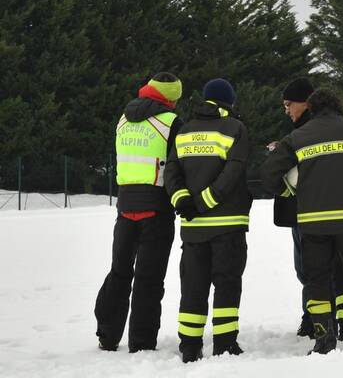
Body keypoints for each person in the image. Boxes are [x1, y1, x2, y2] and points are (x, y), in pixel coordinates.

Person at [261, 87, 343, 354]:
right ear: (338, 105)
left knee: (317, 281)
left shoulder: (297, 136)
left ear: (311, 108)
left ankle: (324, 340)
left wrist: (292, 189)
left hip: (313, 222)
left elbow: (269, 176)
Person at [163, 78, 252, 362]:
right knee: (226, 283)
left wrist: (183, 201)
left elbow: (172, 173)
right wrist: (205, 202)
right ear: (229, 102)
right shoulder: (235, 128)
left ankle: (189, 345)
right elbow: (233, 172)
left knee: (193, 286)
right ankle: (225, 344)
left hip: (192, 229)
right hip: (227, 224)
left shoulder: (185, 130)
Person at [94, 73, 183, 353]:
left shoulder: (123, 119)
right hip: (156, 208)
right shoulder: (171, 123)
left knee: (120, 272)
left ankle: (108, 335)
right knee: (149, 278)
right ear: (170, 97)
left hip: (124, 207)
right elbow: (177, 167)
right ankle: (141, 343)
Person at [268, 76, 315, 338]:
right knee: (306, 269)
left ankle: (313, 319)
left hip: (309, 212)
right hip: (301, 212)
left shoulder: (306, 132)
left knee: (311, 268)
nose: (286, 110)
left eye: (289, 104)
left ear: (305, 103)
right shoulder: (301, 132)